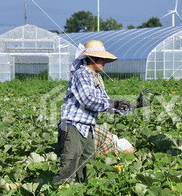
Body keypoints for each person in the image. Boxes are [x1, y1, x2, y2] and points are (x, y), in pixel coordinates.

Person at [51, 40, 129, 185]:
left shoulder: (96, 78)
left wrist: (132, 105)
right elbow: (88, 99)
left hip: (87, 129)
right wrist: (114, 104)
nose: (104, 62)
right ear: (91, 58)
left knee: (87, 168)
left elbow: (105, 103)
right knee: (68, 168)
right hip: (72, 126)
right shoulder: (83, 74)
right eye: (101, 59)